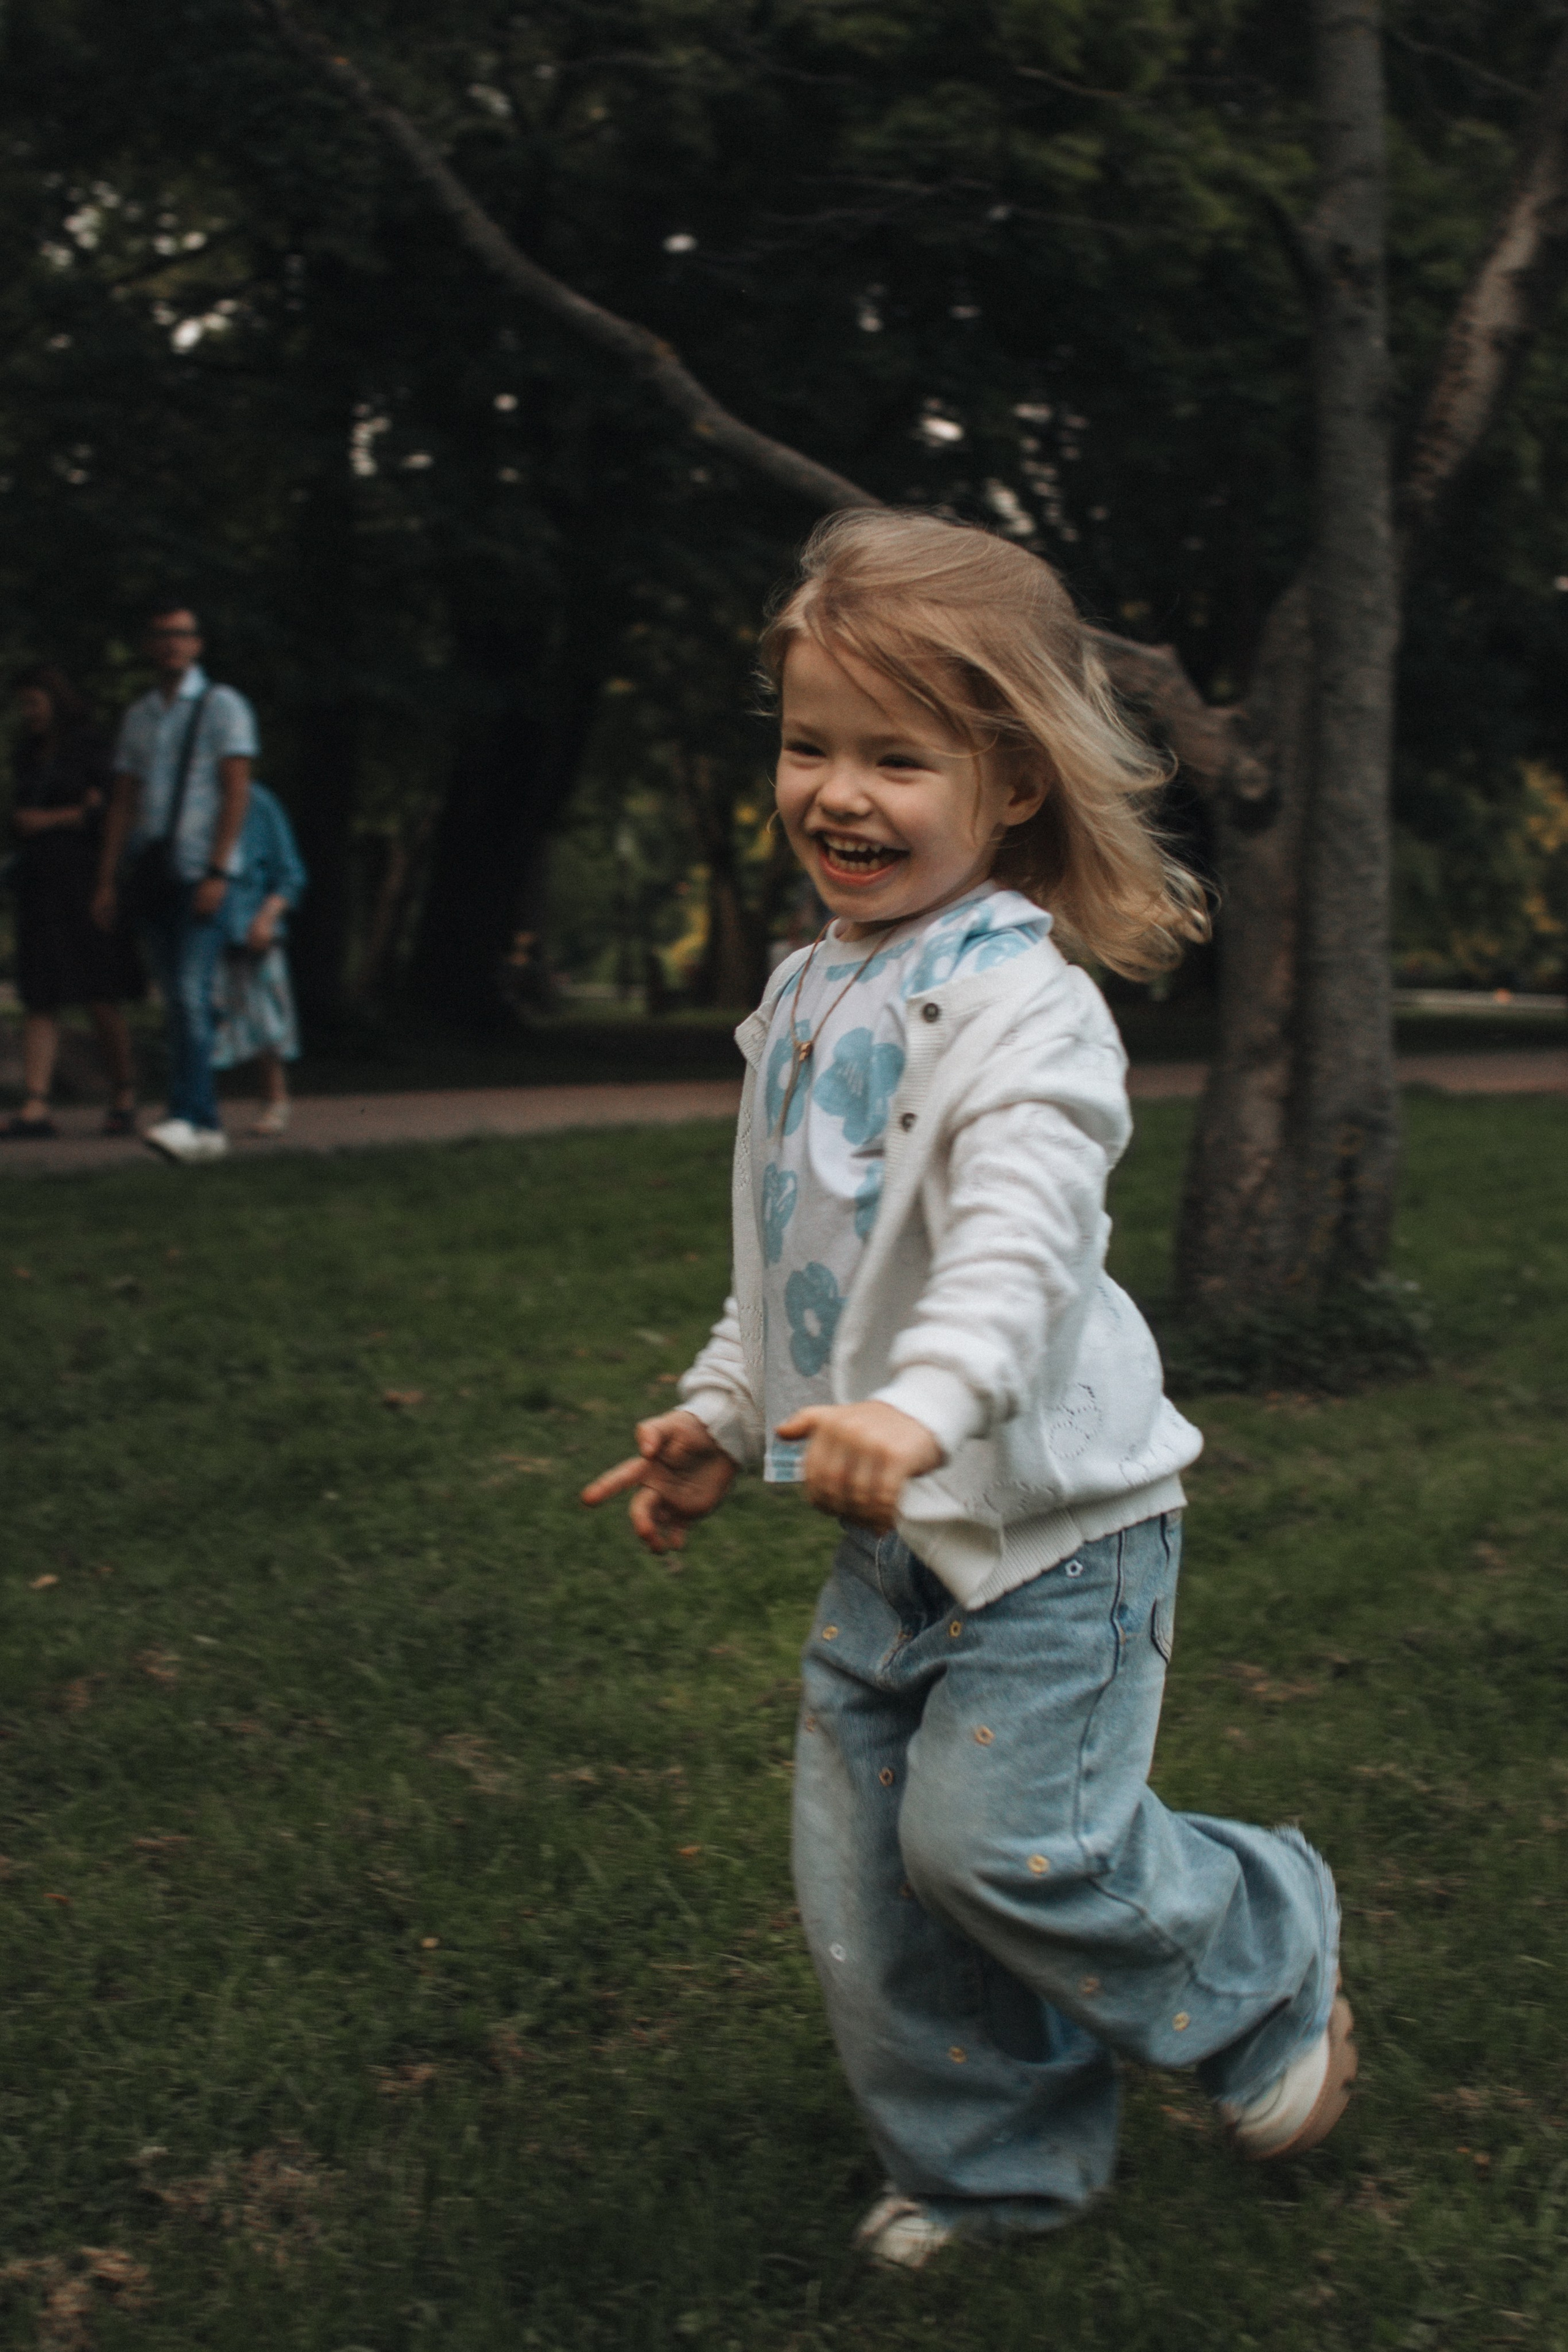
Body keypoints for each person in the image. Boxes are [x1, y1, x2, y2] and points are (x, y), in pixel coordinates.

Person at [584, 512, 1355, 2267]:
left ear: (1008, 782)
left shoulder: (1028, 1007)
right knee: (873, 1894)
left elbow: (1014, 1252)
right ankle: (999, 2171)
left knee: (1010, 1852)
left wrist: (925, 1407)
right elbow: (794, 1249)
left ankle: (1265, 1955)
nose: (838, 794)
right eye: (807, 745)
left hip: (1053, 1540)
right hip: (889, 1533)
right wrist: (719, 1410)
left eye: (896, 757)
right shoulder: (807, 989)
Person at [92, 603, 257, 1165]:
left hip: (202, 872)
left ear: (198, 644)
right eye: (162, 635)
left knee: (190, 994)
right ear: (148, 645)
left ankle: (186, 1116)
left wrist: (218, 869)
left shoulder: (222, 707)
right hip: (155, 872)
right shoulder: (140, 717)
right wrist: (108, 879)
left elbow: (236, 791)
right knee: (179, 1001)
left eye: (182, 635)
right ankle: (206, 1127)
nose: (171, 644)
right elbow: (123, 802)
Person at [5, 665, 143, 1138]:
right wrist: (67, 814)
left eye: (34, 704)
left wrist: (52, 819)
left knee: (97, 991)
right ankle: (37, 1104)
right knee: (39, 992)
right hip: (39, 883)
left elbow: (107, 812)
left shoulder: (90, 748)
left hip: (82, 880)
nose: (28, 713)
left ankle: (124, 1088)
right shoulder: (26, 755)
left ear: (55, 701)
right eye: (23, 705)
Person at [210, 782, 307, 1136]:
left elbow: (290, 875)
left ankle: (275, 1099)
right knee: (204, 1015)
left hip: (251, 924)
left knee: (265, 1018)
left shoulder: (261, 804)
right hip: (204, 926)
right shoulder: (192, 800)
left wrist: (267, 917)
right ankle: (199, 1109)